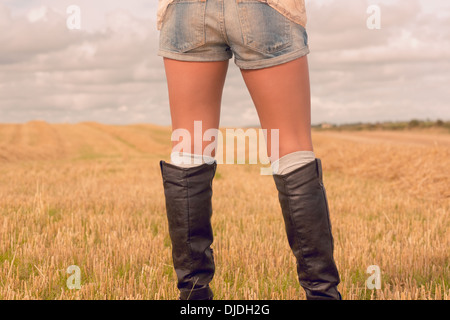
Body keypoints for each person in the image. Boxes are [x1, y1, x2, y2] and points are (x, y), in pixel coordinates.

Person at [156, 0, 341, 300]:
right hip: (265, 7)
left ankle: (193, 298)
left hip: (187, 9)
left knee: (188, 147)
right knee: (291, 147)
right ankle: (321, 294)